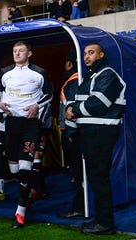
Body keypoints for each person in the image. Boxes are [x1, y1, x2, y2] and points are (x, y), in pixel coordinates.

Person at [66, 43, 126, 235]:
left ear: (101, 54)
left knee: (99, 178)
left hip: (101, 132)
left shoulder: (107, 74)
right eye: (84, 53)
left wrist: (73, 110)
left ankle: (105, 224)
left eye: (91, 53)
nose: (86, 57)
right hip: (91, 132)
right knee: (96, 178)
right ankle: (101, 220)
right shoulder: (92, 76)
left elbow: (98, 104)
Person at [0, 41, 53, 229]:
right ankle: (30, 190)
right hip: (11, 123)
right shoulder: (5, 72)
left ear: (29, 53)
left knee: (26, 165)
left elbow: (49, 94)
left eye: (21, 51)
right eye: (14, 51)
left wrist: (37, 106)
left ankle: (20, 212)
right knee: (14, 170)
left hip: (30, 124)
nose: (17, 53)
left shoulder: (39, 73)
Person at [56, 50, 85, 219]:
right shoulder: (79, 79)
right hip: (75, 133)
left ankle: (79, 207)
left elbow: (72, 112)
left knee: (78, 173)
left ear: (70, 63)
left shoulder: (73, 82)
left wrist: (71, 135)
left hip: (73, 134)